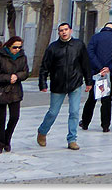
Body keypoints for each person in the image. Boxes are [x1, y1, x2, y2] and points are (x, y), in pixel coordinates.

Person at [37, 22, 93, 151]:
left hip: (75, 83)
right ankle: (42, 131)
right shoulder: (53, 48)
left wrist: (89, 81)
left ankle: (72, 139)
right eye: (61, 30)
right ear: (58, 33)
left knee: (74, 112)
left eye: (66, 29)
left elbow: (86, 64)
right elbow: (44, 67)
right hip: (58, 84)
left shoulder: (78, 45)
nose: (64, 32)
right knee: (53, 112)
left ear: (71, 31)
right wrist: (43, 83)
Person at [80, 22, 112, 132]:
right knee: (107, 99)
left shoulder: (95, 38)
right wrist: (108, 68)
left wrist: (100, 67)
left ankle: (85, 122)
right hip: (111, 74)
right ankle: (105, 125)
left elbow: (90, 53)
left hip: (96, 73)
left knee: (92, 98)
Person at [0, 36, 28, 153]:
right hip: (1, 90)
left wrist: (17, 76)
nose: (17, 49)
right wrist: (7, 78)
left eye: (19, 47)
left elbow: (25, 72)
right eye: (15, 47)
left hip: (15, 90)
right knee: (1, 118)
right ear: (9, 46)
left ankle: (7, 139)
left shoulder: (22, 57)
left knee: (15, 117)